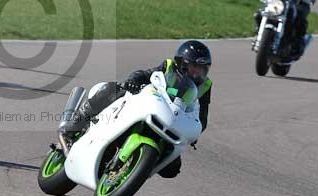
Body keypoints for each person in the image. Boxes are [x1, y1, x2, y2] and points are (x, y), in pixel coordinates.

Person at [59, 40, 213, 179]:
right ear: (182, 63)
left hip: (173, 118)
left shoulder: (205, 86)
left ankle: (137, 168)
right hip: (151, 102)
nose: (197, 73)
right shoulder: (168, 67)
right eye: (194, 67)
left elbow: (202, 117)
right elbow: (144, 74)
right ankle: (76, 123)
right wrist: (133, 81)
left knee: (172, 170)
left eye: (202, 69)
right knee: (111, 89)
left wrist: (195, 132)